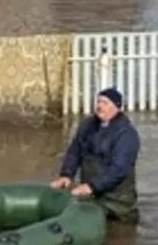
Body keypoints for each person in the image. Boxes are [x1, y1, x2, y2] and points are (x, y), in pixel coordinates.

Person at [53, 87, 141, 225]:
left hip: (118, 200)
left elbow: (119, 169)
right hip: (92, 195)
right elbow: (75, 151)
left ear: (116, 107)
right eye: (98, 101)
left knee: (121, 236)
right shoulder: (88, 126)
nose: (99, 106)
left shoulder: (126, 134)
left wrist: (92, 186)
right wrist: (67, 174)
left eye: (105, 103)